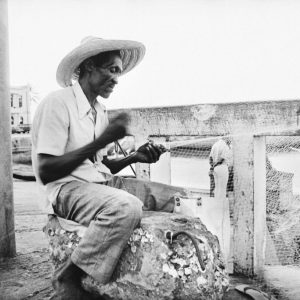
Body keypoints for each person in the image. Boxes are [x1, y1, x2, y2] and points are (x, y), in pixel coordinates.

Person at [31, 37, 187, 300]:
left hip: (97, 184)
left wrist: (135, 157)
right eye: (112, 70)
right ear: (89, 66)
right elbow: (46, 170)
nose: (117, 79)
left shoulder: (100, 111)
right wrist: (102, 140)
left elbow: (100, 165)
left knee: (177, 197)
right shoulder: (57, 103)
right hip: (66, 189)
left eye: (119, 72)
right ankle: (69, 276)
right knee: (126, 207)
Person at [208, 137, 233, 267]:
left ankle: (217, 203)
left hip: (215, 169)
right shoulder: (225, 146)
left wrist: (212, 167)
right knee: (222, 189)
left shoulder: (215, 145)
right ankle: (221, 205)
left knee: (217, 188)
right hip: (222, 168)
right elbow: (226, 158)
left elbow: (210, 159)